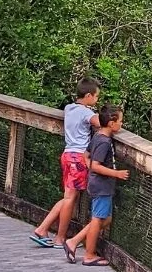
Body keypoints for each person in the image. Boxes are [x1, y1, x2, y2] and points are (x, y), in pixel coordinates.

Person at [31, 79, 100, 249]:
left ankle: (43, 228)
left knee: (68, 197)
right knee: (70, 198)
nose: (97, 100)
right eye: (96, 96)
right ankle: (59, 237)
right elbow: (100, 123)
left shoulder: (69, 108)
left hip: (67, 155)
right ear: (88, 95)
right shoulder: (86, 113)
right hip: (78, 157)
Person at [64, 105, 128, 267]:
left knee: (105, 219)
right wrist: (117, 174)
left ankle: (74, 241)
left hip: (98, 184)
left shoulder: (97, 136)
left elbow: (86, 156)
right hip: (102, 186)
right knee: (98, 219)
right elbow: (96, 165)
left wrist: (91, 167)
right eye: (120, 121)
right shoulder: (104, 142)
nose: (122, 124)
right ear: (111, 123)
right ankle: (89, 255)